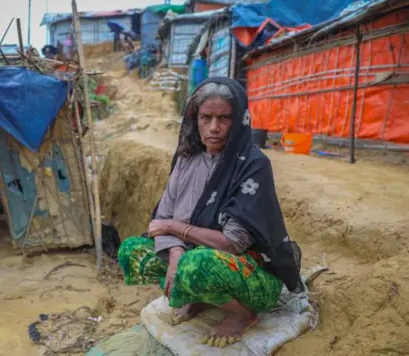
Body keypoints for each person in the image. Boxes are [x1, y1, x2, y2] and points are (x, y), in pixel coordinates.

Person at [118, 77, 303, 348]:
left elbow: (232, 242)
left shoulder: (253, 165)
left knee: (196, 265)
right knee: (132, 250)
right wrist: (175, 254)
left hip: (249, 271)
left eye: (224, 118)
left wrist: (175, 229)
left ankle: (242, 313)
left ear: (239, 119)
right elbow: (164, 215)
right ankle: (199, 294)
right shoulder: (187, 158)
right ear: (195, 119)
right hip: (195, 254)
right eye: (206, 117)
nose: (214, 128)